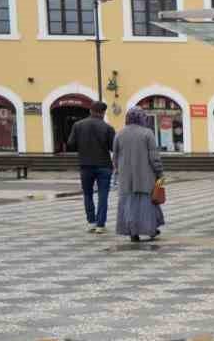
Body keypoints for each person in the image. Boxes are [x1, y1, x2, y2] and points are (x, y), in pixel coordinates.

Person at [113, 107, 166, 243]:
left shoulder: (119, 134)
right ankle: (151, 230)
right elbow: (154, 157)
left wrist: (119, 171)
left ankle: (132, 233)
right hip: (145, 177)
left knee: (129, 205)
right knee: (147, 204)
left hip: (126, 178)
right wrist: (160, 173)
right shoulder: (147, 133)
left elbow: (115, 157)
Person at [67, 100, 116, 235]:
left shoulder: (78, 125)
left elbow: (71, 143)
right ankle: (100, 225)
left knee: (87, 194)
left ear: (90, 111)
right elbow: (113, 148)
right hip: (104, 165)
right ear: (103, 113)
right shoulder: (108, 128)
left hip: (85, 164)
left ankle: (91, 222)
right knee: (103, 195)